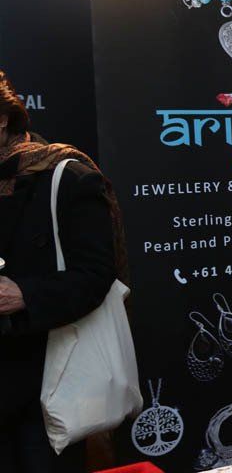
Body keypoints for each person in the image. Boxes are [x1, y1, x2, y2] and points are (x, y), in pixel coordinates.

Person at [0, 70, 126, 472]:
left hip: (46, 390)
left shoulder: (65, 175)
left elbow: (96, 274)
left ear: (3, 118)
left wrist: (25, 295)